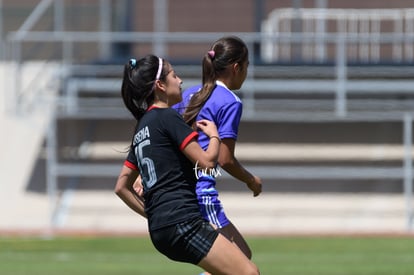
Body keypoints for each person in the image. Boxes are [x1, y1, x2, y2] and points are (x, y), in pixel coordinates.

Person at [114, 54, 260, 275]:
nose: (180, 80)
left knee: (236, 263)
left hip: (161, 229)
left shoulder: (142, 126)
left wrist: (153, 216)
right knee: (248, 273)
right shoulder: (168, 118)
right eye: (174, 75)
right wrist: (214, 136)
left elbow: (122, 187)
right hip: (182, 221)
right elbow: (208, 163)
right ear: (160, 85)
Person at [173, 36, 263, 260]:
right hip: (200, 195)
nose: (247, 72)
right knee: (242, 261)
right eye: (247, 66)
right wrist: (251, 180)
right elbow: (225, 159)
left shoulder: (188, 94)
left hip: (179, 190)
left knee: (234, 263)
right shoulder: (230, 101)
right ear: (236, 68)